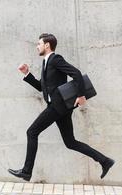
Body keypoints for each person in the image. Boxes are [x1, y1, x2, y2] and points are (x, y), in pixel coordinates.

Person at [8, 33, 114, 181]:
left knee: (32, 132)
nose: (37, 46)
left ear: (47, 45)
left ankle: (26, 171)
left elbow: (76, 73)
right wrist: (27, 74)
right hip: (62, 108)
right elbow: (42, 87)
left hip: (57, 107)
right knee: (70, 142)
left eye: (39, 43)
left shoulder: (55, 59)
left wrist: (81, 95)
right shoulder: (46, 63)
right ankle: (105, 161)